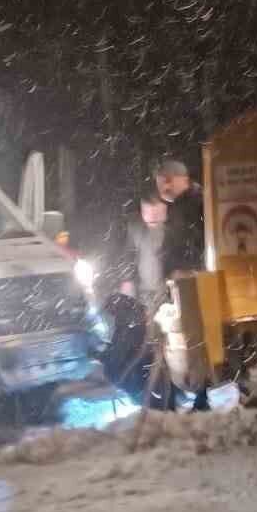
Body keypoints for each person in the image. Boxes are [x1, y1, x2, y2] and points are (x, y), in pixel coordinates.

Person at [153, 157, 210, 410]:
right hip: (185, 280)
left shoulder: (193, 202)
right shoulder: (185, 203)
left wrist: (183, 268)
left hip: (191, 280)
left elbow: (195, 240)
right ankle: (198, 393)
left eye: (165, 181)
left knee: (195, 339)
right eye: (159, 182)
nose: (162, 187)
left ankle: (201, 394)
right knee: (191, 340)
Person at [104, 192, 168, 400]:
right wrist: (127, 282)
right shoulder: (135, 228)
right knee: (136, 349)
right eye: (147, 214)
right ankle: (141, 390)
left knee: (160, 349)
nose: (152, 220)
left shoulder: (175, 231)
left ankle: (156, 391)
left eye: (157, 215)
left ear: (165, 211)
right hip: (140, 301)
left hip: (165, 300)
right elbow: (128, 257)